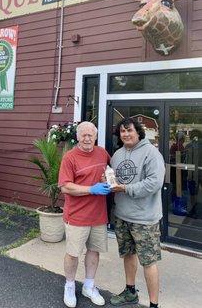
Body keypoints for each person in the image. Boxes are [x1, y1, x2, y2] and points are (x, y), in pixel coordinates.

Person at [110, 117, 165, 308]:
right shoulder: (116, 155)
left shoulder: (151, 153)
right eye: (122, 132)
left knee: (148, 262)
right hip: (122, 215)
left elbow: (154, 183)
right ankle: (130, 292)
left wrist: (125, 188)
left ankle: (153, 304)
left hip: (145, 219)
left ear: (138, 132)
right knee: (128, 255)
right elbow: (115, 182)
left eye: (129, 130)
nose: (126, 134)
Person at [58, 121, 111, 308]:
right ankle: (70, 285)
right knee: (73, 254)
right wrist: (92, 189)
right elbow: (65, 186)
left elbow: (108, 173)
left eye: (91, 135)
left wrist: (106, 178)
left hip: (98, 215)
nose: (87, 138)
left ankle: (89, 286)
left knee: (94, 251)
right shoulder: (70, 157)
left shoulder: (102, 153)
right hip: (77, 216)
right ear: (78, 136)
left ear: (95, 136)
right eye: (84, 135)